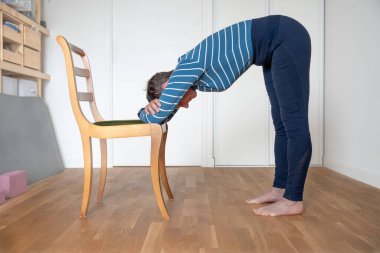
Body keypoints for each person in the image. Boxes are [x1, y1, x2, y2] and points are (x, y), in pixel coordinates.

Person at [138, 15, 312, 216]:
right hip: (271, 49)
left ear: (169, 87)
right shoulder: (190, 74)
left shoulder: (183, 70)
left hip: (285, 36)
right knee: (281, 125)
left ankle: (293, 199)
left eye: (175, 101)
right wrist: (155, 107)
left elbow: (155, 118)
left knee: (294, 123)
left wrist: (144, 112)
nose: (182, 107)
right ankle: (280, 189)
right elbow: (165, 114)